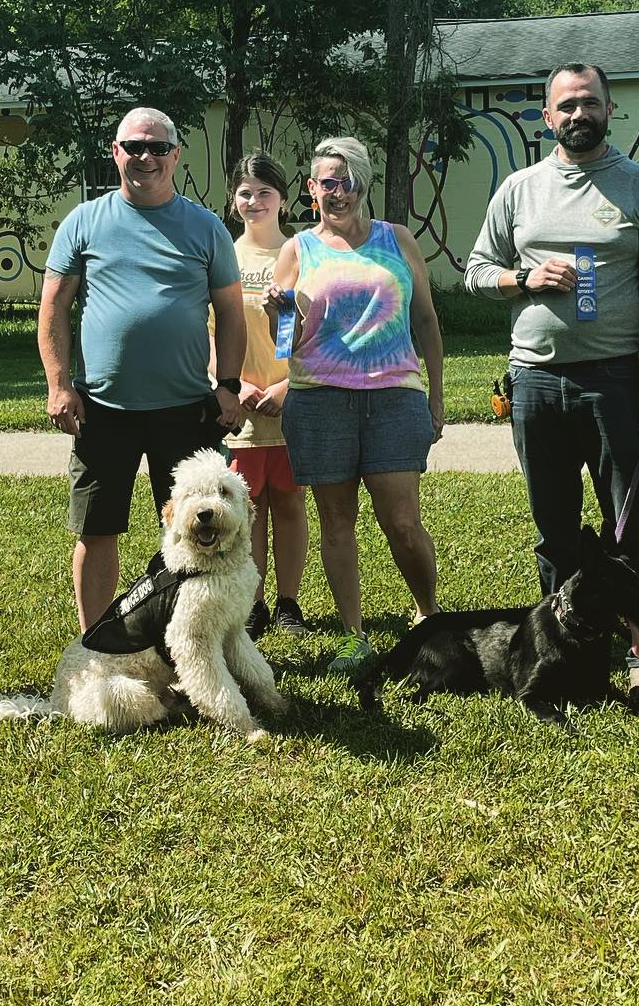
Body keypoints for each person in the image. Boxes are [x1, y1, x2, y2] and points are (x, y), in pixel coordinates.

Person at [464, 63, 639, 699]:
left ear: (610, 110)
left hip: (614, 379)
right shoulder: (519, 189)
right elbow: (476, 270)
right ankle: (565, 645)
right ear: (547, 117)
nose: (578, 115)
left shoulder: (638, 186)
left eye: (590, 104)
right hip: (533, 382)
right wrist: (522, 280)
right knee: (553, 527)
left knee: (625, 525)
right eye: (566, 106)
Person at [40, 108, 246, 630]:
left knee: (191, 533)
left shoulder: (206, 228)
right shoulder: (84, 222)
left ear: (176, 155)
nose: (145, 156)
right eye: (134, 146)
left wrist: (227, 385)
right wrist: (59, 385)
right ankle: (96, 641)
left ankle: (186, 635)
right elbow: (53, 310)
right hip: (101, 407)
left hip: (185, 409)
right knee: (97, 529)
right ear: (116, 153)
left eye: (157, 147)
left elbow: (229, 312)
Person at [264, 136, 442, 673]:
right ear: (311, 190)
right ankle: (353, 637)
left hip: (394, 398)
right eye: (324, 183)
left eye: (345, 182)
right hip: (319, 402)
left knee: (403, 522)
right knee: (336, 526)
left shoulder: (398, 239)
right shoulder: (298, 250)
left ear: (362, 184)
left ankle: (428, 618)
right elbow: (283, 346)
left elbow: (427, 321)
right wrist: (280, 312)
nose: (335, 193)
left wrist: (435, 396)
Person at [223, 152, 310, 640]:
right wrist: (232, 384)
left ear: (283, 197)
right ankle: (253, 603)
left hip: (291, 400)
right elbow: (209, 331)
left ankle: (288, 604)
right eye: (245, 193)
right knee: (248, 507)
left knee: (291, 503)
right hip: (241, 406)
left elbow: (310, 333)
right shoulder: (224, 254)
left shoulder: (299, 252)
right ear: (234, 200)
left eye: (264, 192)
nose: (254, 201)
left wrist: (286, 384)